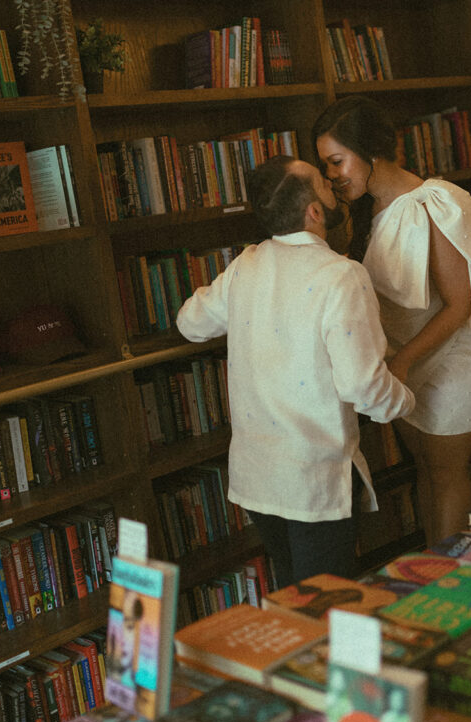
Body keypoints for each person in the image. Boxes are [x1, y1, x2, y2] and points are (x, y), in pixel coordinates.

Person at [313, 96, 471, 545]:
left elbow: (459, 305)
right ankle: (436, 566)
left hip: (445, 363)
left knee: (446, 474)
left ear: (369, 152)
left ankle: (450, 579)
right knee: (425, 469)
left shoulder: (433, 203)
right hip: (402, 364)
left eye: (336, 161)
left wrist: (402, 363)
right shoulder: (369, 212)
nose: (332, 175)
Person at [176, 154, 414, 588]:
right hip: (312, 480)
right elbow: (365, 387)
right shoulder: (342, 276)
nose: (331, 181)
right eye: (324, 183)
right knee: (323, 609)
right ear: (315, 213)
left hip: (257, 480)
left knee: (292, 604)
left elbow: (190, 322)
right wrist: (408, 398)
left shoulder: (247, 264)